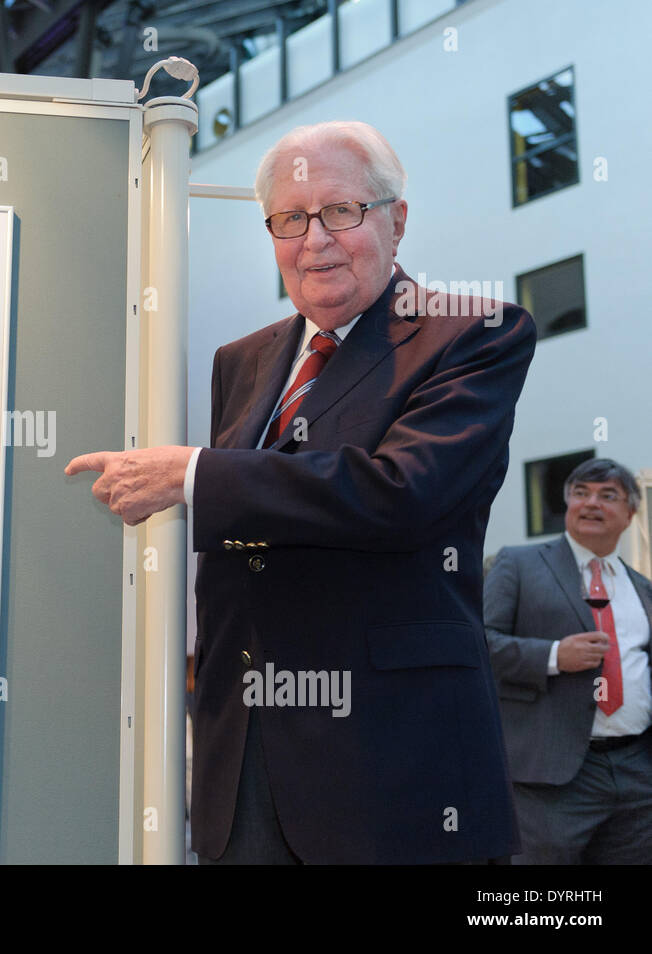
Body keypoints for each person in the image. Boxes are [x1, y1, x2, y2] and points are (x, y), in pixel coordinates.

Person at [66, 120, 535, 863]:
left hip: (393, 771)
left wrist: (191, 474)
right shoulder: (242, 361)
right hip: (242, 763)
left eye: (341, 211)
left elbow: (399, 494)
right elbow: (249, 531)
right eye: (290, 219)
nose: (314, 239)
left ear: (396, 219)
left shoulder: (470, 332)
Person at [485, 458, 652, 863]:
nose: (591, 503)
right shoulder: (518, 564)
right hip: (551, 778)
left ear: (630, 514)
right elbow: (480, 646)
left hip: (637, 771)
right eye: (581, 493)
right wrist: (555, 655)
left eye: (608, 495)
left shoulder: (642, 588)